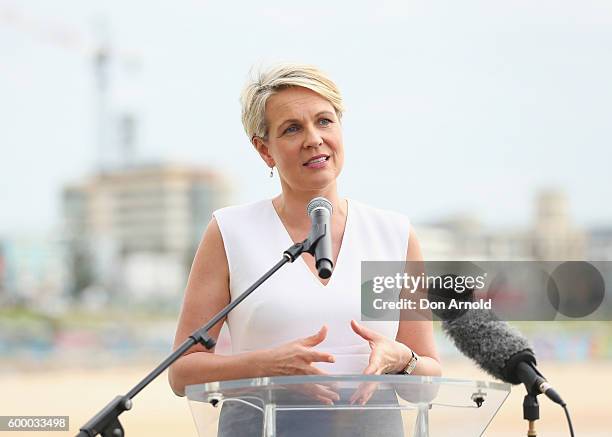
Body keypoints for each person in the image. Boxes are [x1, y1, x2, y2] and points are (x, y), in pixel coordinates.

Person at [168, 63, 441, 434]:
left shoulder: (392, 233)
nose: (314, 138)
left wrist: (402, 359)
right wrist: (266, 366)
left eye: (325, 121)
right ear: (264, 150)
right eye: (292, 128)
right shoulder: (230, 231)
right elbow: (182, 372)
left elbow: (429, 379)